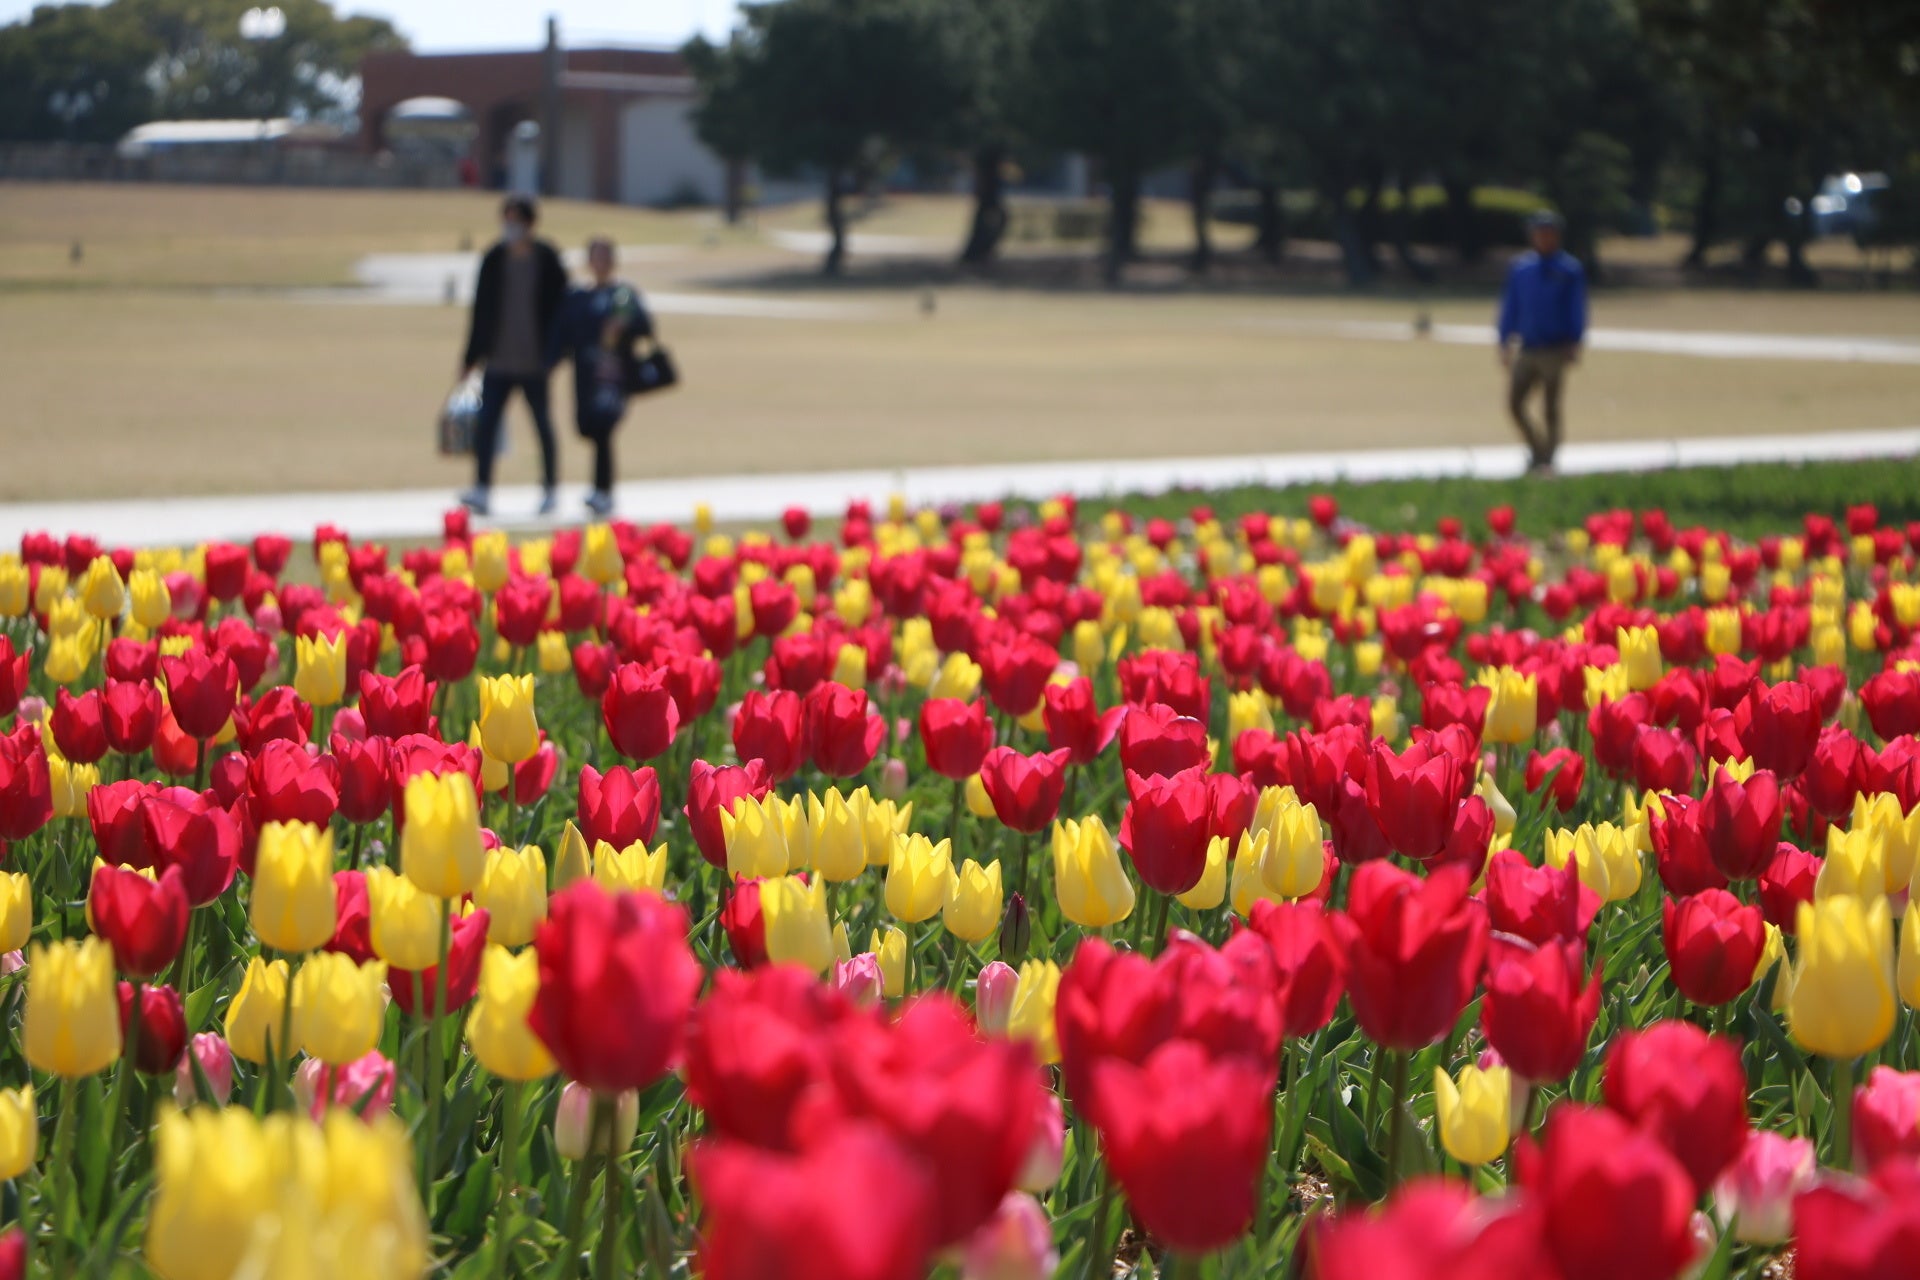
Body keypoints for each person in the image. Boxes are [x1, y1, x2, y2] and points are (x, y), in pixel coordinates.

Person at [459, 194, 568, 516]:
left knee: (542, 425)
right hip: (498, 361)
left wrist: (557, 353)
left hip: (535, 362)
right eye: (506, 220)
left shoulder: (547, 259)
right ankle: (481, 488)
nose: (511, 227)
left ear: (531, 224)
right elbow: (480, 311)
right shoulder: (494, 258)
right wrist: (470, 358)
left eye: (516, 221)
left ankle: (550, 488)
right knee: (487, 424)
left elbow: (563, 311)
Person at [558, 238, 652, 517]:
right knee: (586, 426)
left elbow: (646, 326)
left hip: (613, 376)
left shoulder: (623, 295)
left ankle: (602, 491)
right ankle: (600, 490)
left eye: (605, 257)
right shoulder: (577, 296)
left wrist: (624, 326)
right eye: (595, 257)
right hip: (584, 375)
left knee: (603, 429)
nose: (600, 263)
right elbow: (563, 333)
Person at [1497, 210, 1588, 474]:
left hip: (1555, 348)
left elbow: (1577, 308)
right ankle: (1537, 449)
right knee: (1514, 403)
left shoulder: (1569, 270)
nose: (1543, 238)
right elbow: (1510, 306)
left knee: (1550, 407)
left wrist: (1575, 341)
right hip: (1528, 346)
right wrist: (1504, 340)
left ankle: (1548, 458)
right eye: (1539, 233)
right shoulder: (1522, 268)